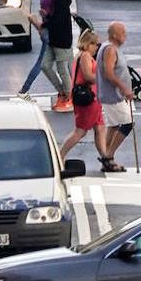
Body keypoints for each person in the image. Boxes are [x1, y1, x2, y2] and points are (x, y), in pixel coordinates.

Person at [21, 0, 76, 111]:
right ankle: (62, 91)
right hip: (54, 39)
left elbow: (58, 19)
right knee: (45, 65)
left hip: (62, 39)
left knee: (62, 69)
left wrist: (43, 23)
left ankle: (69, 96)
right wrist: (47, 17)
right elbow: (58, 17)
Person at [58, 29, 107, 163]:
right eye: (95, 44)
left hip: (93, 98)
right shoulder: (85, 56)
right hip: (88, 98)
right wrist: (103, 77)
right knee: (80, 131)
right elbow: (88, 76)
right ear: (87, 43)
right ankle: (60, 155)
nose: (97, 47)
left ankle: (106, 157)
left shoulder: (84, 55)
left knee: (100, 127)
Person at [95, 21, 134, 172]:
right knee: (127, 124)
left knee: (114, 125)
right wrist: (124, 88)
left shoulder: (110, 48)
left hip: (111, 94)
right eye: (123, 33)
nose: (125, 35)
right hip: (114, 95)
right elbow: (108, 73)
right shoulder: (110, 49)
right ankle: (108, 156)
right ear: (114, 35)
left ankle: (107, 158)